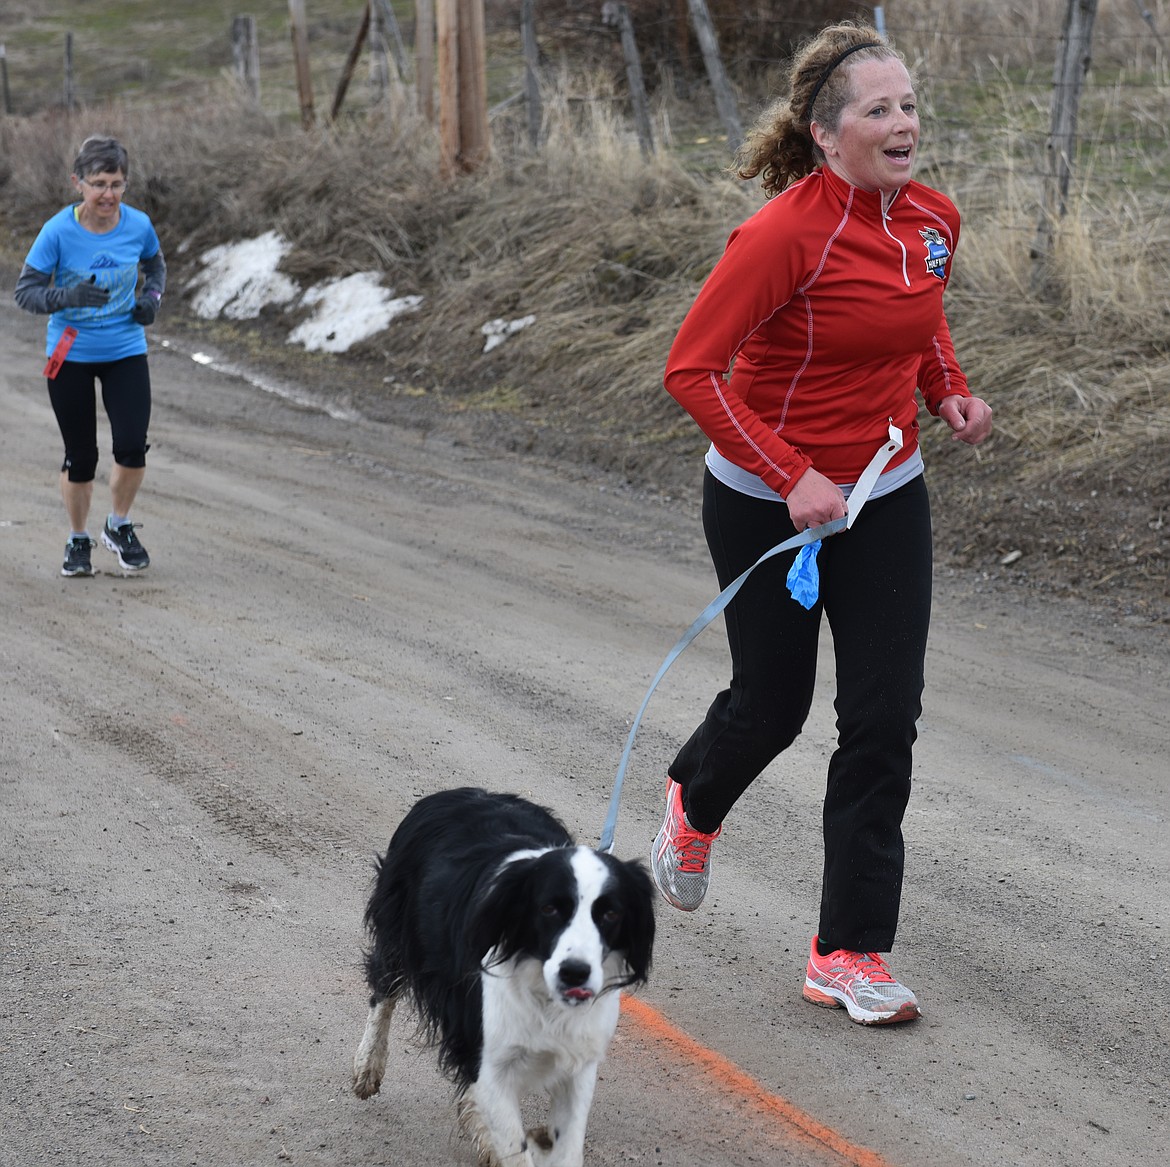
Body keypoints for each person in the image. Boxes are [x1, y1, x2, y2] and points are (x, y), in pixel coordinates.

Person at [649, 22, 993, 1025]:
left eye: (910, 105)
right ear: (826, 132)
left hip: (886, 491)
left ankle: (848, 952)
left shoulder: (933, 218)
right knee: (773, 703)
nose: (904, 124)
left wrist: (950, 395)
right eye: (879, 110)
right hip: (766, 498)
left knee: (882, 722)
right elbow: (690, 371)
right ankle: (692, 802)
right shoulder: (780, 237)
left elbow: (917, 314)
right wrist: (791, 474)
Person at [14, 135, 166, 577]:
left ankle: (118, 526)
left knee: (132, 448)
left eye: (117, 184)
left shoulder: (138, 225)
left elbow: (156, 267)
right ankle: (77, 538)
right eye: (99, 183)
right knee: (81, 456)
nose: (108, 194)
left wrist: (151, 299)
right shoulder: (57, 231)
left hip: (125, 348)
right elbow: (25, 293)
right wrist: (65, 296)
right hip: (70, 353)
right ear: (77, 183)